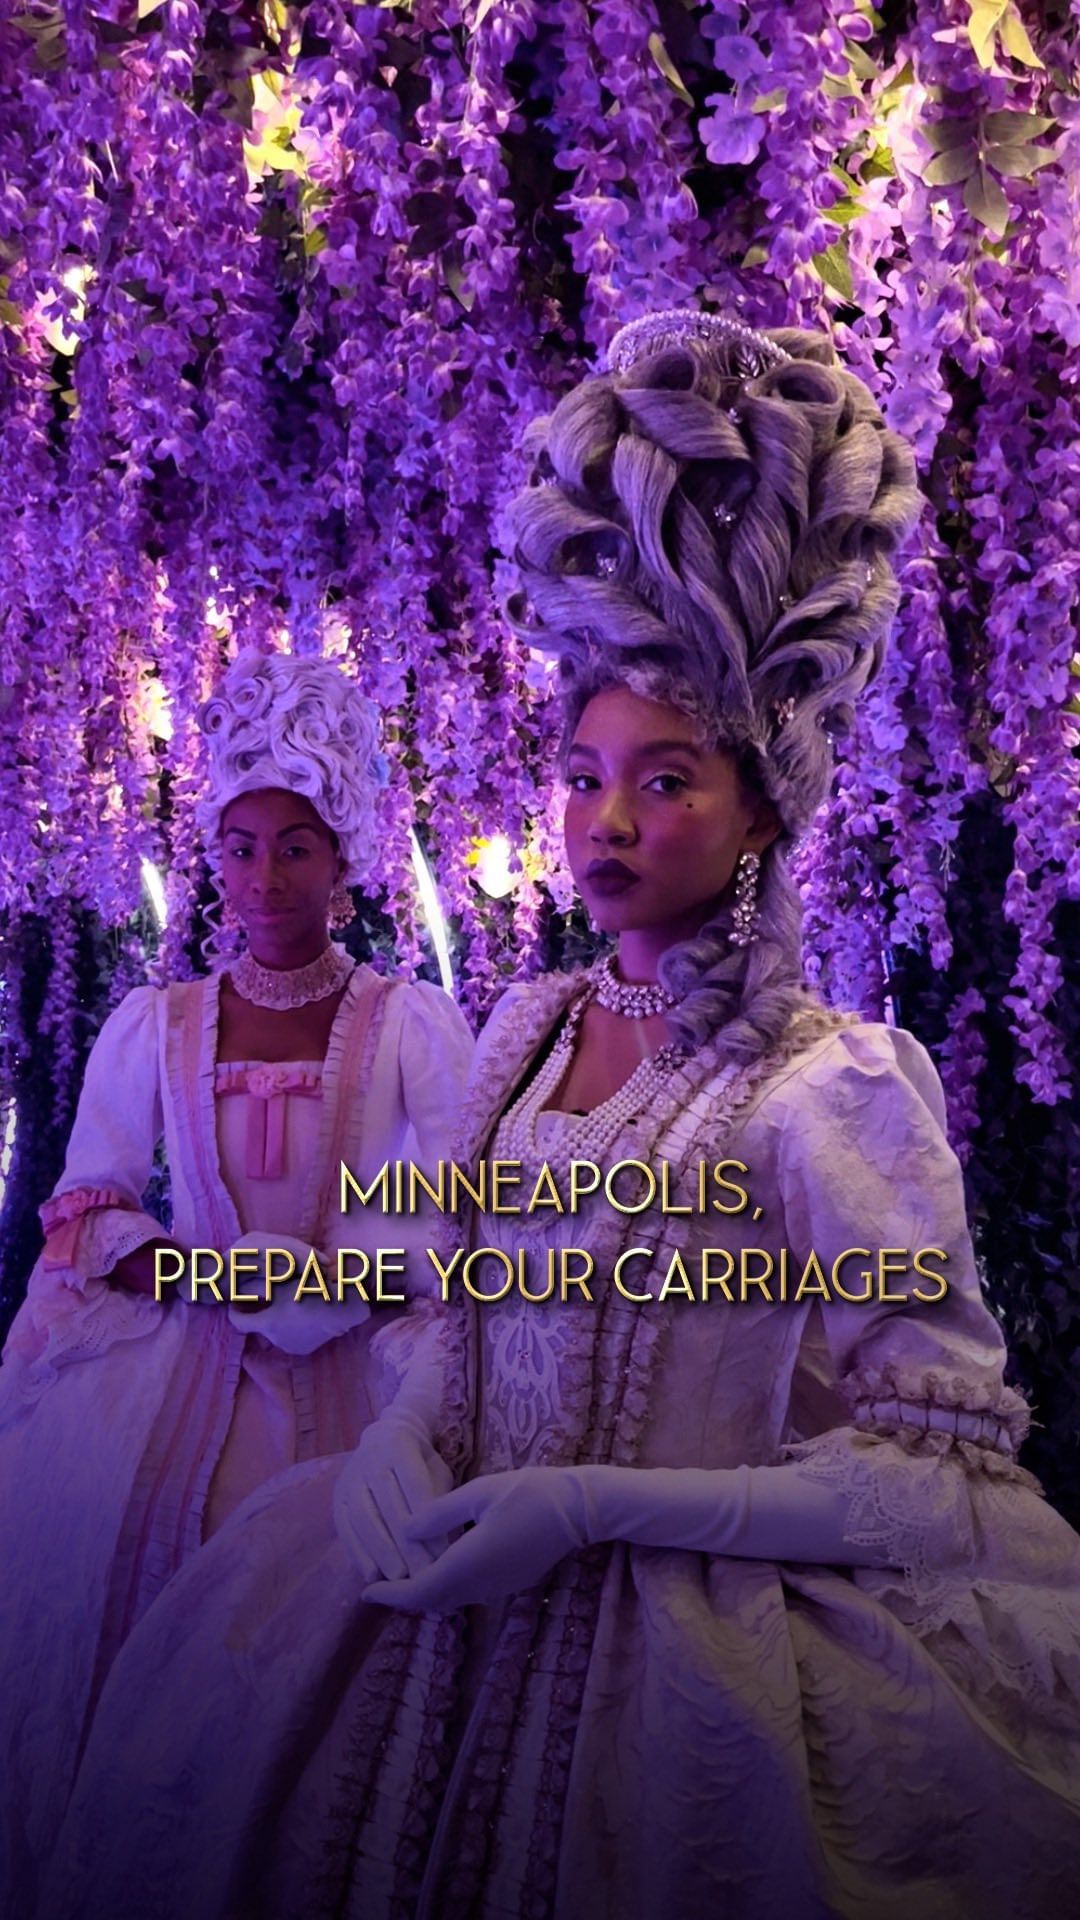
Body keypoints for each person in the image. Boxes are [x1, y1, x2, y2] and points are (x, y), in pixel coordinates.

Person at [43, 315, 1080, 1920]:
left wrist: (598, 1504)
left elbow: (930, 1476)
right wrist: (403, 1437)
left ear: (760, 812)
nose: (607, 822)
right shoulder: (525, 1029)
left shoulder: (832, 1085)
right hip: (424, 1598)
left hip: (688, 1652)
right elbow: (455, 1318)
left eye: (666, 780)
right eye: (583, 774)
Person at [0, 649, 473, 1917]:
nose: (266, 879)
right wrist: (190, 1265)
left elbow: (461, 1207)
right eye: (242, 848)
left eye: (296, 848)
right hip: (181, 1376)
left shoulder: (410, 1022)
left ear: (343, 857)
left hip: (361, 1368)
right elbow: (92, 1202)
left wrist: (344, 1279)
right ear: (213, 856)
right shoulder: (153, 1024)